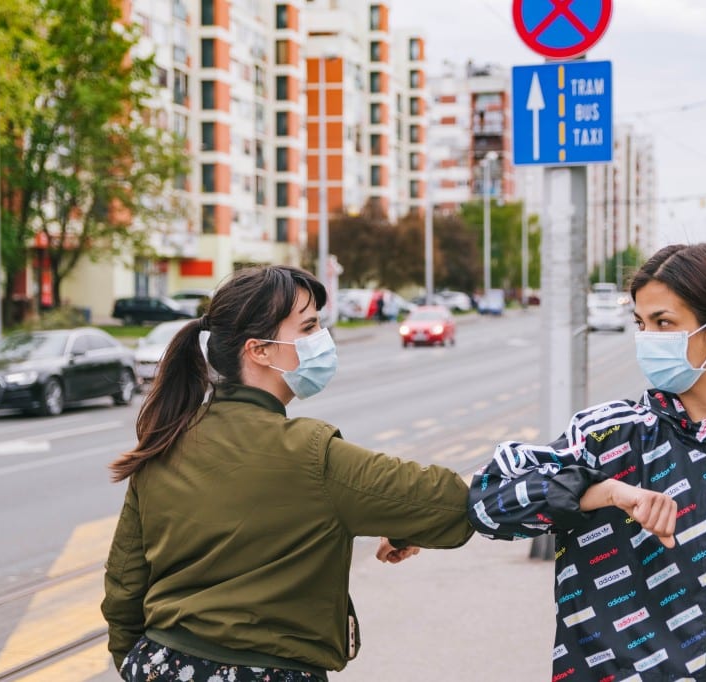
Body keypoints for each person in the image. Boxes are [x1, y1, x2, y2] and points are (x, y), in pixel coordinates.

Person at [468, 243, 706, 680]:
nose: (647, 338)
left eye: (663, 323)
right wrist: (601, 492)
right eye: (641, 323)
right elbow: (488, 502)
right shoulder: (606, 436)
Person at [102, 265, 472, 681]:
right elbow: (449, 503)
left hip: (162, 664)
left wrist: (146, 670)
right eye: (309, 327)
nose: (322, 341)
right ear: (259, 350)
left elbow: (123, 591)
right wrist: (402, 527)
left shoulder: (165, 441)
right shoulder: (312, 454)